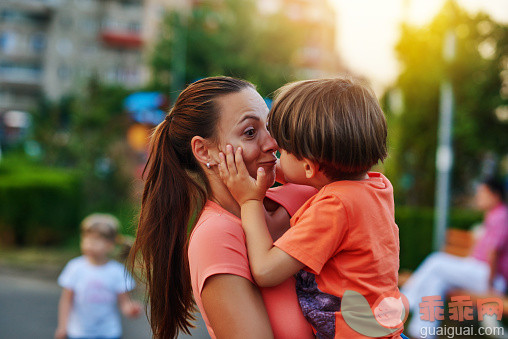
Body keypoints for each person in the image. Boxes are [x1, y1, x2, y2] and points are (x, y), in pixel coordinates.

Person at [128, 76, 317, 339]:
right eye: (250, 133)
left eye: (270, 127)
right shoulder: (216, 236)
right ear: (204, 152)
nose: (272, 143)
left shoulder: (304, 201)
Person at [218, 77, 405, 339]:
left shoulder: (335, 208)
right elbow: (310, 172)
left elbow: (266, 271)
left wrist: (249, 200)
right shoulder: (376, 188)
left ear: (308, 166)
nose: (273, 151)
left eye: (282, 151)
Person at [401, 177, 508, 338]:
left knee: (436, 262)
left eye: (482, 193)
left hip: (490, 278)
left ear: (495, 195)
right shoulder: (494, 216)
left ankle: (403, 302)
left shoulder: (501, 216)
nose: (478, 197)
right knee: (437, 281)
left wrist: (490, 286)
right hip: (480, 272)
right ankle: (423, 334)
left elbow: (493, 253)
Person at [55, 213, 142, 339]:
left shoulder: (117, 271)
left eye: (95, 240)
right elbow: (66, 301)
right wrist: (62, 327)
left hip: (109, 333)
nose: (89, 244)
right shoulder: (74, 268)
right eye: (86, 239)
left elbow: (124, 302)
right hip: (79, 333)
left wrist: (131, 309)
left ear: (110, 245)